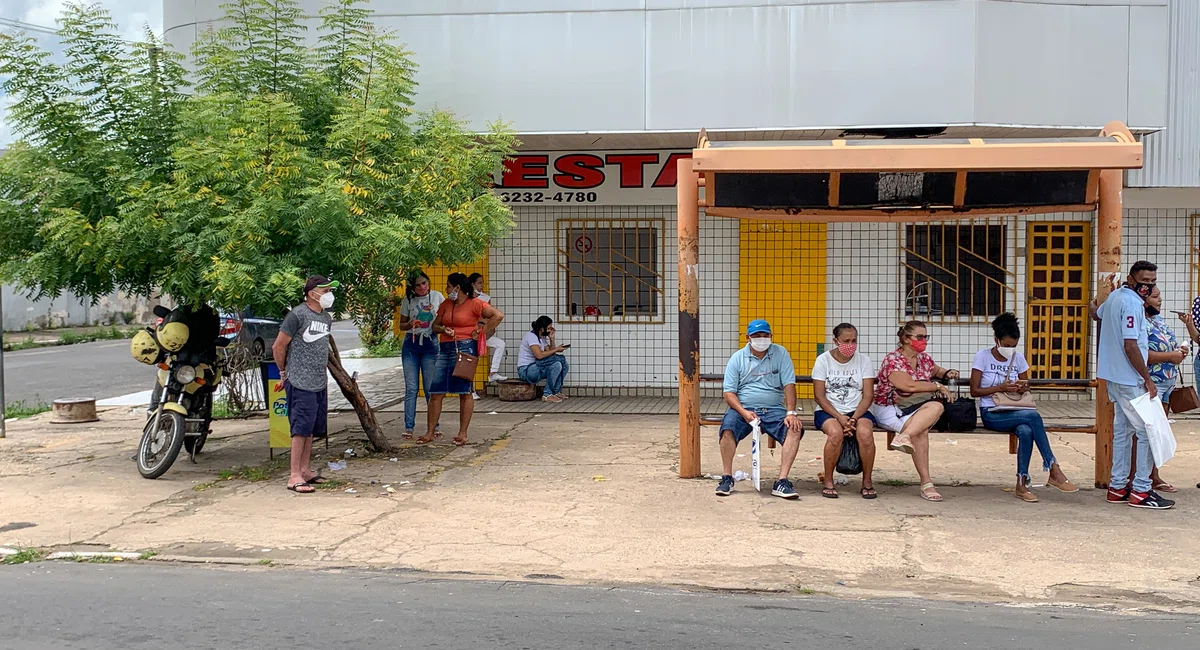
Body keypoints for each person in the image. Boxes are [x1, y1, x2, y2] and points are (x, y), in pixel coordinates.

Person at [1091, 260, 1174, 509]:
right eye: (1144, 281)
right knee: (1148, 431)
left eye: (1152, 282)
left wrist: (1097, 295)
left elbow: (1096, 312)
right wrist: (1147, 379)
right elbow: (1131, 345)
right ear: (1131, 277)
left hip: (1113, 376)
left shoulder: (1117, 297)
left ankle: (1117, 487)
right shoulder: (1132, 304)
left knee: (1123, 432)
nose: (1148, 287)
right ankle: (1141, 490)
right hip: (1130, 378)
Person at [970, 313, 1077, 502]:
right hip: (992, 412)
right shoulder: (983, 357)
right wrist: (1000, 388)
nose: (1010, 349)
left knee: (1026, 431)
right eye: (1007, 345)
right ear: (997, 340)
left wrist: (1021, 387)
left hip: (1015, 409)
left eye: (1013, 346)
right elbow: (975, 390)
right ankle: (1052, 467)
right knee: (1033, 417)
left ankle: (1022, 483)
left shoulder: (1018, 358)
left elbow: (1026, 383)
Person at [716, 319, 805, 500]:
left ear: (771, 336)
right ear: (748, 337)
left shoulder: (780, 354)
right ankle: (727, 477)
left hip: (774, 409)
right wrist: (744, 412)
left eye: (765, 335)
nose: (762, 339)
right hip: (744, 408)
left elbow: (789, 384)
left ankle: (782, 481)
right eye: (757, 336)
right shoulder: (737, 358)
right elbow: (729, 393)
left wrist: (791, 412)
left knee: (794, 429)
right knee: (728, 429)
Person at [870, 320, 956, 502]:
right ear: (907, 339)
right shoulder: (893, 359)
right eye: (920, 337)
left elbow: (937, 370)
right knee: (921, 430)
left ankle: (903, 437)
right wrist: (937, 387)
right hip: (889, 407)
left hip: (914, 407)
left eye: (926, 337)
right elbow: (907, 385)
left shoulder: (924, 358)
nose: (924, 340)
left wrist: (948, 373)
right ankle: (926, 483)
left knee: (937, 406)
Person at [273, 275, 339, 494]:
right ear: (313, 293)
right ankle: (294, 475)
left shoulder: (326, 318)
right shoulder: (297, 315)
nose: (329, 295)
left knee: (311, 429)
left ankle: (305, 469)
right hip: (300, 381)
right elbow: (278, 347)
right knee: (300, 429)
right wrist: (285, 374)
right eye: (326, 290)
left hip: (319, 382)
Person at [424, 273, 504, 446]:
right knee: (436, 391)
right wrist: (444, 330)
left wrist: (481, 331)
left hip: (466, 348)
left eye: (449, 286)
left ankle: (463, 433)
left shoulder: (475, 303)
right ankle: (430, 432)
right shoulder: (446, 304)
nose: (447, 289)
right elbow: (435, 326)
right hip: (445, 347)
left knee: (464, 390)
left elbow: (497, 315)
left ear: (457, 288)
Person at [812, 323, 877, 499]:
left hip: (858, 410)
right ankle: (828, 480)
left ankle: (867, 481)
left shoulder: (864, 361)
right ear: (835, 341)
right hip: (830, 410)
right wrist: (839, 417)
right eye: (846, 340)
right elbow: (820, 396)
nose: (851, 344)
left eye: (854, 340)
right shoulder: (823, 360)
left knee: (865, 433)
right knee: (835, 433)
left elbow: (868, 395)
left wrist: (853, 419)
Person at [1135, 285, 1185, 493]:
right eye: (1155, 297)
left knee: (1159, 432)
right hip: (1151, 383)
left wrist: (1179, 352)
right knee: (1146, 432)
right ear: (1144, 300)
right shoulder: (1141, 324)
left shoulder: (1159, 321)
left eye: (1160, 296)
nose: (1160, 300)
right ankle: (1141, 477)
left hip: (1166, 382)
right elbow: (1142, 354)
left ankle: (1154, 475)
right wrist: (1170, 357)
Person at [397, 270, 444, 440]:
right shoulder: (408, 300)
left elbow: (444, 318)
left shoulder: (438, 297)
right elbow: (401, 325)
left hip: (431, 343)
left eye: (424, 283)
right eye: (417, 285)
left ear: (428, 282)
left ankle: (434, 426)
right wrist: (409, 324)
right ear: (412, 287)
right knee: (411, 388)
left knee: (430, 388)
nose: (421, 287)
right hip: (411, 344)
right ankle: (409, 427)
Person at [517, 316, 570, 403]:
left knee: (563, 365)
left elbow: (551, 354)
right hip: (526, 370)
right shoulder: (531, 336)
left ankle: (555, 392)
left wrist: (552, 339)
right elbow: (539, 355)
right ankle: (547, 394)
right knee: (557, 363)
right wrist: (557, 349)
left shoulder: (542, 338)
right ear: (542, 328)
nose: (550, 330)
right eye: (548, 328)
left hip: (537, 366)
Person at [469, 273, 507, 384]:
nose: (482, 285)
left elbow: (488, 317)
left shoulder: (485, 298)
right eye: (479, 283)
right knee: (472, 361)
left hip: (482, 331)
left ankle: (493, 373)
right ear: (472, 284)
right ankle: (471, 391)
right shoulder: (466, 298)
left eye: (483, 283)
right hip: (469, 333)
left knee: (500, 344)